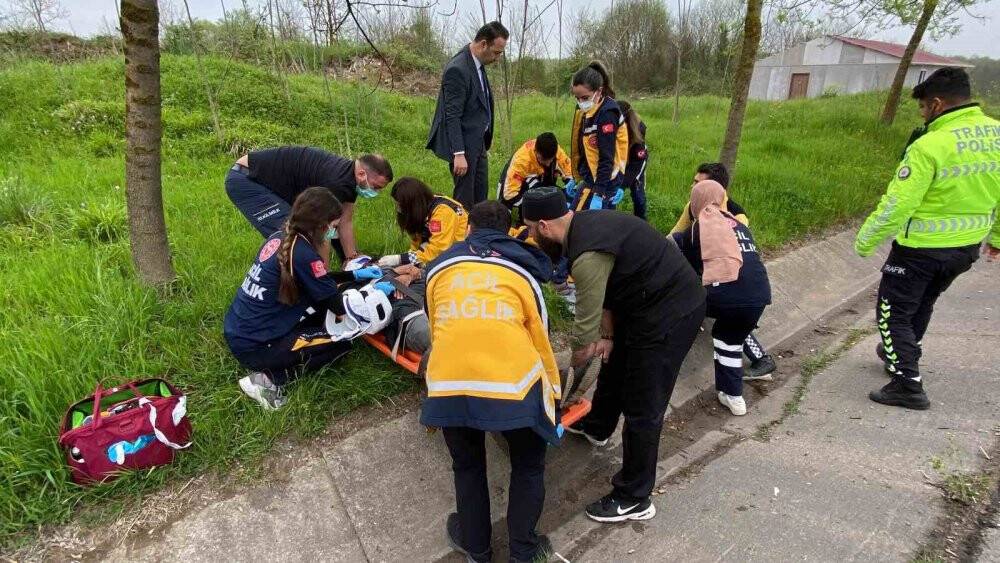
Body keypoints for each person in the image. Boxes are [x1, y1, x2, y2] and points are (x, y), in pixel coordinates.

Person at [522, 187, 706, 523]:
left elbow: (583, 329)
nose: (534, 238)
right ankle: (598, 425)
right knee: (615, 363)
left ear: (544, 226)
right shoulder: (585, 223)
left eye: (532, 231)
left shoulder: (587, 254)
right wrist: (608, 335)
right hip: (642, 302)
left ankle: (634, 496)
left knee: (644, 404)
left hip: (672, 311)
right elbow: (608, 288)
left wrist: (567, 378)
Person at [855, 67, 1000, 410]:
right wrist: (997, 236)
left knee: (891, 314)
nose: (921, 114)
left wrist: (867, 238)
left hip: (920, 249)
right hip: (965, 248)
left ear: (936, 104)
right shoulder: (997, 135)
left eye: (922, 107)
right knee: (922, 303)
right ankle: (901, 355)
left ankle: (907, 383)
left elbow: (898, 202)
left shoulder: (930, 144)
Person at [422, 201, 558, 563]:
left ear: (468, 230)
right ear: (510, 231)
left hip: (450, 384)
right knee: (528, 466)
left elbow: (436, 328)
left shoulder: (439, 268)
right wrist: (553, 397)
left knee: (467, 466)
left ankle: (477, 550)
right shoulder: (523, 272)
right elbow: (540, 338)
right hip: (514, 384)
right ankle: (523, 552)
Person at [223, 187, 386, 410]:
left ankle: (276, 358)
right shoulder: (303, 254)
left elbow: (316, 278)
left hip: (239, 331)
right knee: (342, 344)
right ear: (320, 225)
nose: (334, 233)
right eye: (334, 227)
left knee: (321, 315)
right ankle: (268, 381)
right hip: (258, 346)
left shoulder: (282, 237)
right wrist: (373, 293)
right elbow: (337, 305)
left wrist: (354, 275)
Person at [672, 180, 772, 416]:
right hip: (759, 295)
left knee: (680, 306)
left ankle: (665, 360)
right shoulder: (740, 224)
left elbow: (674, 251)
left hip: (726, 295)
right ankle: (734, 396)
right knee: (729, 338)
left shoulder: (699, 228)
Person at [225, 146, 393, 261]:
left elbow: (345, 220)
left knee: (305, 238)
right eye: (376, 187)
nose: (376, 192)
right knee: (295, 238)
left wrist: (352, 258)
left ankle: (311, 277)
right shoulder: (336, 182)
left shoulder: (351, 178)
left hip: (273, 184)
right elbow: (322, 234)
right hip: (247, 180)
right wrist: (325, 279)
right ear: (362, 174)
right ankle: (287, 285)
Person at [426, 21, 508, 210]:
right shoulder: (458, 69)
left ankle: (478, 235)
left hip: (477, 142)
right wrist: (459, 154)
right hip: (463, 145)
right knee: (464, 200)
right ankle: (462, 236)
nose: (497, 58)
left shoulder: (477, 65)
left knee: (480, 197)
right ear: (483, 44)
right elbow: (451, 115)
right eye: (497, 52)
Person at [567, 61, 629, 212]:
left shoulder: (607, 114)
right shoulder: (588, 110)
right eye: (577, 98)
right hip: (591, 177)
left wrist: (599, 193)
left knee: (580, 222)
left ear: (599, 91)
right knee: (595, 224)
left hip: (603, 181)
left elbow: (606, 157)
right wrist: (579, 175)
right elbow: (583, 147)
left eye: (584, 97)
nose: (581, 103)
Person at [377, 177, 469, 271]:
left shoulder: (442, 212)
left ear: (412, 203)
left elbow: (438, 249)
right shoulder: (423, 208)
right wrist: (410, 257)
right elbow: (417, 241)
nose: (398, 208)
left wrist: (401, 259)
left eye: (400, 205)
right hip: (445, 249)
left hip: (461, 255)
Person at [497, 132, 574, 223]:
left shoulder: (556, 150)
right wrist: (536, 202)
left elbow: (570, 173)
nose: (548, 164)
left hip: (536, 181)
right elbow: (509, 196)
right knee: (533, 184)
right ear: (536, 151)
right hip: (513, 193)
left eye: (551, 159)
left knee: (563, 195)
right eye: (544, 160)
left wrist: (570, 188)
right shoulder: (521, 162)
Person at [618, 101, 649, 220]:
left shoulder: (639, 129)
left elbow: (638, 163)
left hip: (636, 161)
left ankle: (641, 221)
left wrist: (623, 185)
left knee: (638, 196)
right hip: (618, 161)